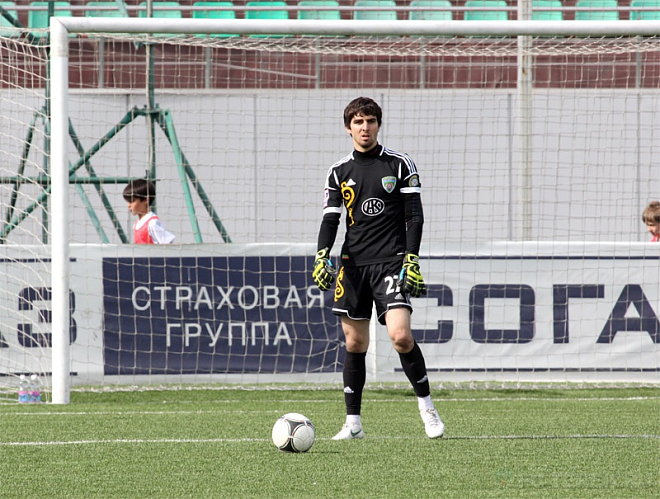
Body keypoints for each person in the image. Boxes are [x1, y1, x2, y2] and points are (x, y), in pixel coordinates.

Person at [312, 97, 444, 440]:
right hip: (353, 266)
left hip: (391, 262)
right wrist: (322, 255)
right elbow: (330, 220)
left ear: (378, 125)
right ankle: (353, 423)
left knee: (401, 337)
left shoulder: (399, 164)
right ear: (348, 128)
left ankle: (427, 408)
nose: (364, 127)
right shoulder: (339, 171)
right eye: (358, 122)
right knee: (355, 343)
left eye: (370, 121)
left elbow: (414, 216)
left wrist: (411, 258)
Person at [123, 179, 175, 244]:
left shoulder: (152, 223)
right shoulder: (136, 224)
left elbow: (167, 243)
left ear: (146, 200)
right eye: (127, 201)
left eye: (132, 201)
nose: (128, 205)